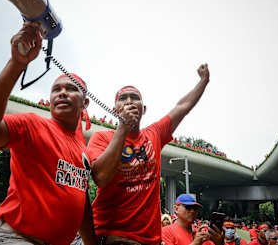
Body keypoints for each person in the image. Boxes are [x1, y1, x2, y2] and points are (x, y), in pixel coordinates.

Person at [0, 21, 96, 245]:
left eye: (70, 88)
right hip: (13, 238)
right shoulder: (32, 125)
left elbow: (82, 202)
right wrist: (17, 63)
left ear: (85, 102)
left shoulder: (83, 149)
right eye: (56, 89)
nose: (62, 93)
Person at [87, 64, 210, 244]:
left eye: (134, 98)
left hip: (149, 240)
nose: (129, 101)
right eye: (123, 98)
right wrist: (123, 128)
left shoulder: (154, 134)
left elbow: (182, 106)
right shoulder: (101, 138)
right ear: (115, 110)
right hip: (113, 236)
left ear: (143, 109)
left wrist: (203, 81)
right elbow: (101, 178)